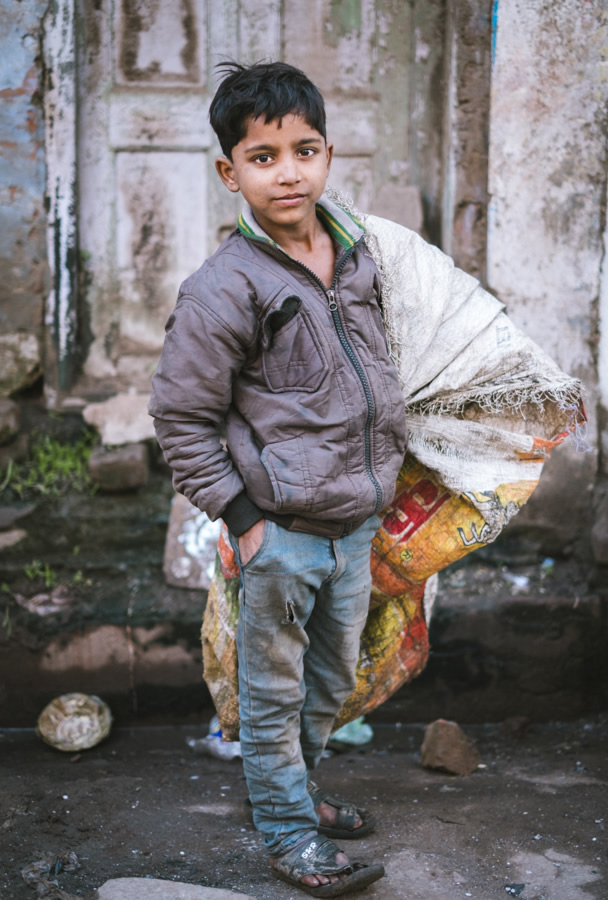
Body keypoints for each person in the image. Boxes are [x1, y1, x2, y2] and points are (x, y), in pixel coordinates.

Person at [149, 61, 407, 896]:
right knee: (272, 693)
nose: (288, 171)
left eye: (303, 150)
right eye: (263, 157)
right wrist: (243, 517)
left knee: (331, 682)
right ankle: (288, 834)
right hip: (282, 532)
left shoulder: (361, 255)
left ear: (328, 154)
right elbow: (181, 419)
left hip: (355, 517)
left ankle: (297, 791)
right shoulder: (224, 287)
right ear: (231, 173)